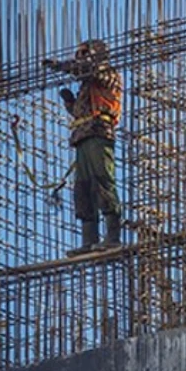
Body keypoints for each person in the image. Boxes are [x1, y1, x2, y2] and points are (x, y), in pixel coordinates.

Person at [42, 39, 124, 254]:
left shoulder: (108, 73)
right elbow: (81, 112)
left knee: (103, 181)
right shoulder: (87, 83)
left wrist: (62, 65)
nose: (80, 57)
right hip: (82, 136)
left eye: (84, 53)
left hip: (99, 133)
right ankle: (89, 240)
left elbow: (89, 70)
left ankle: (113, 236)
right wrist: (70, 103)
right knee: (83, 188)